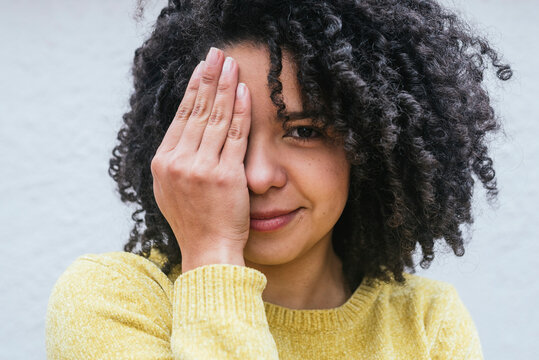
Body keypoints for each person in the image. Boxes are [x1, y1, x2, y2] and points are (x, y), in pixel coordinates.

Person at [46, 0, 512, 358]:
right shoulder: (114, 301)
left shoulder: (426, 323)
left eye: (304, 131)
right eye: (227, 134)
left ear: (370, 144)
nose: (258, 176)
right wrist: (212, 256)